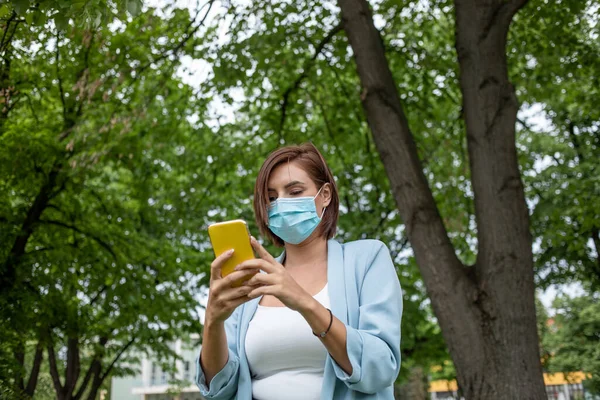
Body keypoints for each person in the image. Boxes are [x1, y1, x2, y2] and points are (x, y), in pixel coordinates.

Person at [196, 143, 403, 399]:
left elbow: (380, 368)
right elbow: (218, 390)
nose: (281, 203)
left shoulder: (368, 258)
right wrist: (213, 322)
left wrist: (304, 302)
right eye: (271, 198)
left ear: (325, 194)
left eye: (295, 191)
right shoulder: (253, 279)